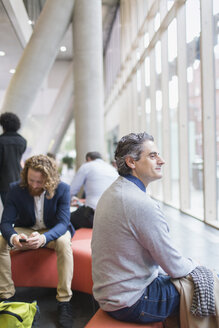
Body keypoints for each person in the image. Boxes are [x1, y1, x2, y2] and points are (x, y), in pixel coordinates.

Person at [91, 132, 211, 325]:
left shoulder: (115, 191)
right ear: (131, 162)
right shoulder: (139, 203)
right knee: (211, 281)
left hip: (110, 295)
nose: (161, 161)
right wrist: (195, 264)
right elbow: (174, 266)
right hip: (133, 303)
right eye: (153, 156)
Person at [0, 154, 75, 328]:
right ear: (26, 174)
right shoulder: (15, 189)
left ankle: (64, 301)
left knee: (64, 243)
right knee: (1, 241)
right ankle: (7, 296)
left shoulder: (62, 188)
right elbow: (5, 222)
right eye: (31, 180)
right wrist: (14, 237)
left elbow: (63, 223)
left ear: (49, 179)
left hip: (52, 231)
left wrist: (44, 238)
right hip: (26, 229)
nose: (34, 185)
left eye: (39, 182)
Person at [70, 151, 118, 230]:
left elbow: (72, 190)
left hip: (93, 216)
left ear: (88, 159)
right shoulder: (112, 169)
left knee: (65, 219)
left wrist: (68, 201)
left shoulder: (87, 166)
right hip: (113, 217)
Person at [0, 112, 27, 206]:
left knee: (8, 208)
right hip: (19, 178)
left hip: (3, 181)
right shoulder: (22, 141)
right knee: (18, 208)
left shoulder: (1, 141)